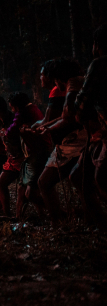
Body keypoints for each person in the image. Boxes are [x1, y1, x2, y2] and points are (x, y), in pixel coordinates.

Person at [37, 59, 86, 223]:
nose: (41, 79)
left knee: (45, 182)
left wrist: (48, 128)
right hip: (79, 140)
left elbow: (67, 117)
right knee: (80, 179)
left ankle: (59, 222)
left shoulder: (67, 89)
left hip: (77, 141)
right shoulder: (77, 84)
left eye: (42, 75)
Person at [69, 24, 107, 226]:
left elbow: (82, 101)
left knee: (101, 179)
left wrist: (78, 110)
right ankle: (96, 222)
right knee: (79, 175)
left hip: (103, 133)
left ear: (97, 45)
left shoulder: (100, 64)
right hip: (101, 132)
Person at [6, 92, 50, 218]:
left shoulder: (24, 112)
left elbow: (12, 130)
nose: (12, 111)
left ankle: (56, 211)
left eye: (13, 107)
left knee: (30, 192)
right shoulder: (34, 108)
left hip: (37, 153)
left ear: (17, 106)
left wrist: (5, 134)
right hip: (32, 153)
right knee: (22, 187)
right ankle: (19, 216)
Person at [0, 97, 23, 217]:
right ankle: (7, 214)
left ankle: (55, 213)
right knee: (1, 184)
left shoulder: (14, 119)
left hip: (23, 157)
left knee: (28, 191)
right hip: (12, 158)